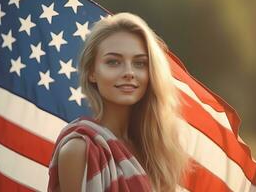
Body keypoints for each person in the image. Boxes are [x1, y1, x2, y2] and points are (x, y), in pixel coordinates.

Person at [48, 12, 189, 192]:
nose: (129, 72)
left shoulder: (155, 151)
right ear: (92, 72)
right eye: (113, 62)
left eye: (140, 63)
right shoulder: (79, 149)